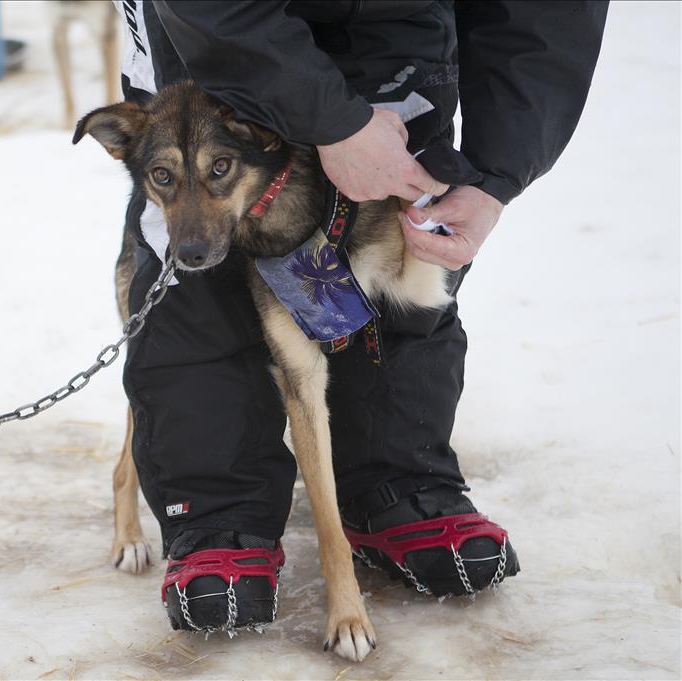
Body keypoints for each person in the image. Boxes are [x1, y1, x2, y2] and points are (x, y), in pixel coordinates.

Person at [113, 0, 609, 630]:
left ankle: (397, 485)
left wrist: (497, 176)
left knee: (397, 250)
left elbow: (549, 19)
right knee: (198, 280)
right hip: (209, 27)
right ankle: (218, 511)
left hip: (396, 26)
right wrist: (333, 122)